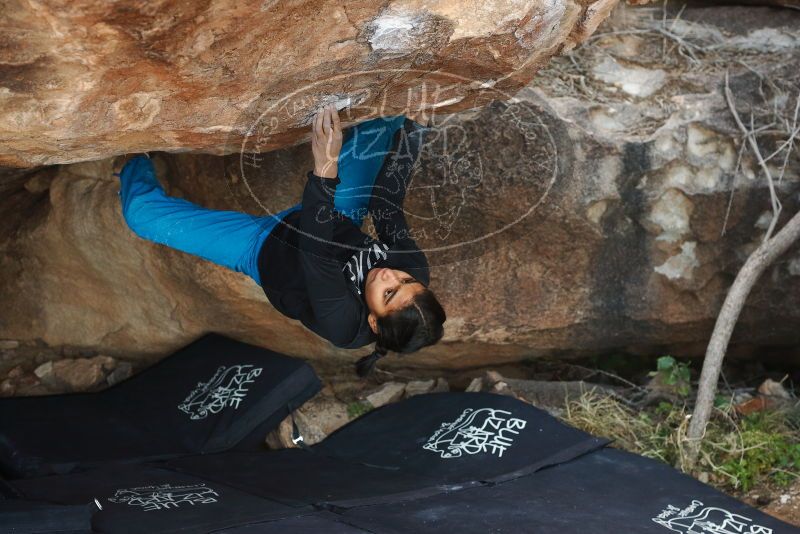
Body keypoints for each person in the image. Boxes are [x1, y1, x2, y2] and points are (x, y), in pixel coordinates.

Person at [116, 104, 446, 376]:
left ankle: (135, 160)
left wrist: (326, 165)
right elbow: (386, 205)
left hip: (261, 247)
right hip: (336, 216)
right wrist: (416, 132)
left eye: (388, 293)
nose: (392, 275)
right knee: (385, 121)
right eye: (405, 281)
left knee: (142, 215)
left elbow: (313, 253)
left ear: (374, 320)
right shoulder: (414, 269)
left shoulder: (345, 326)